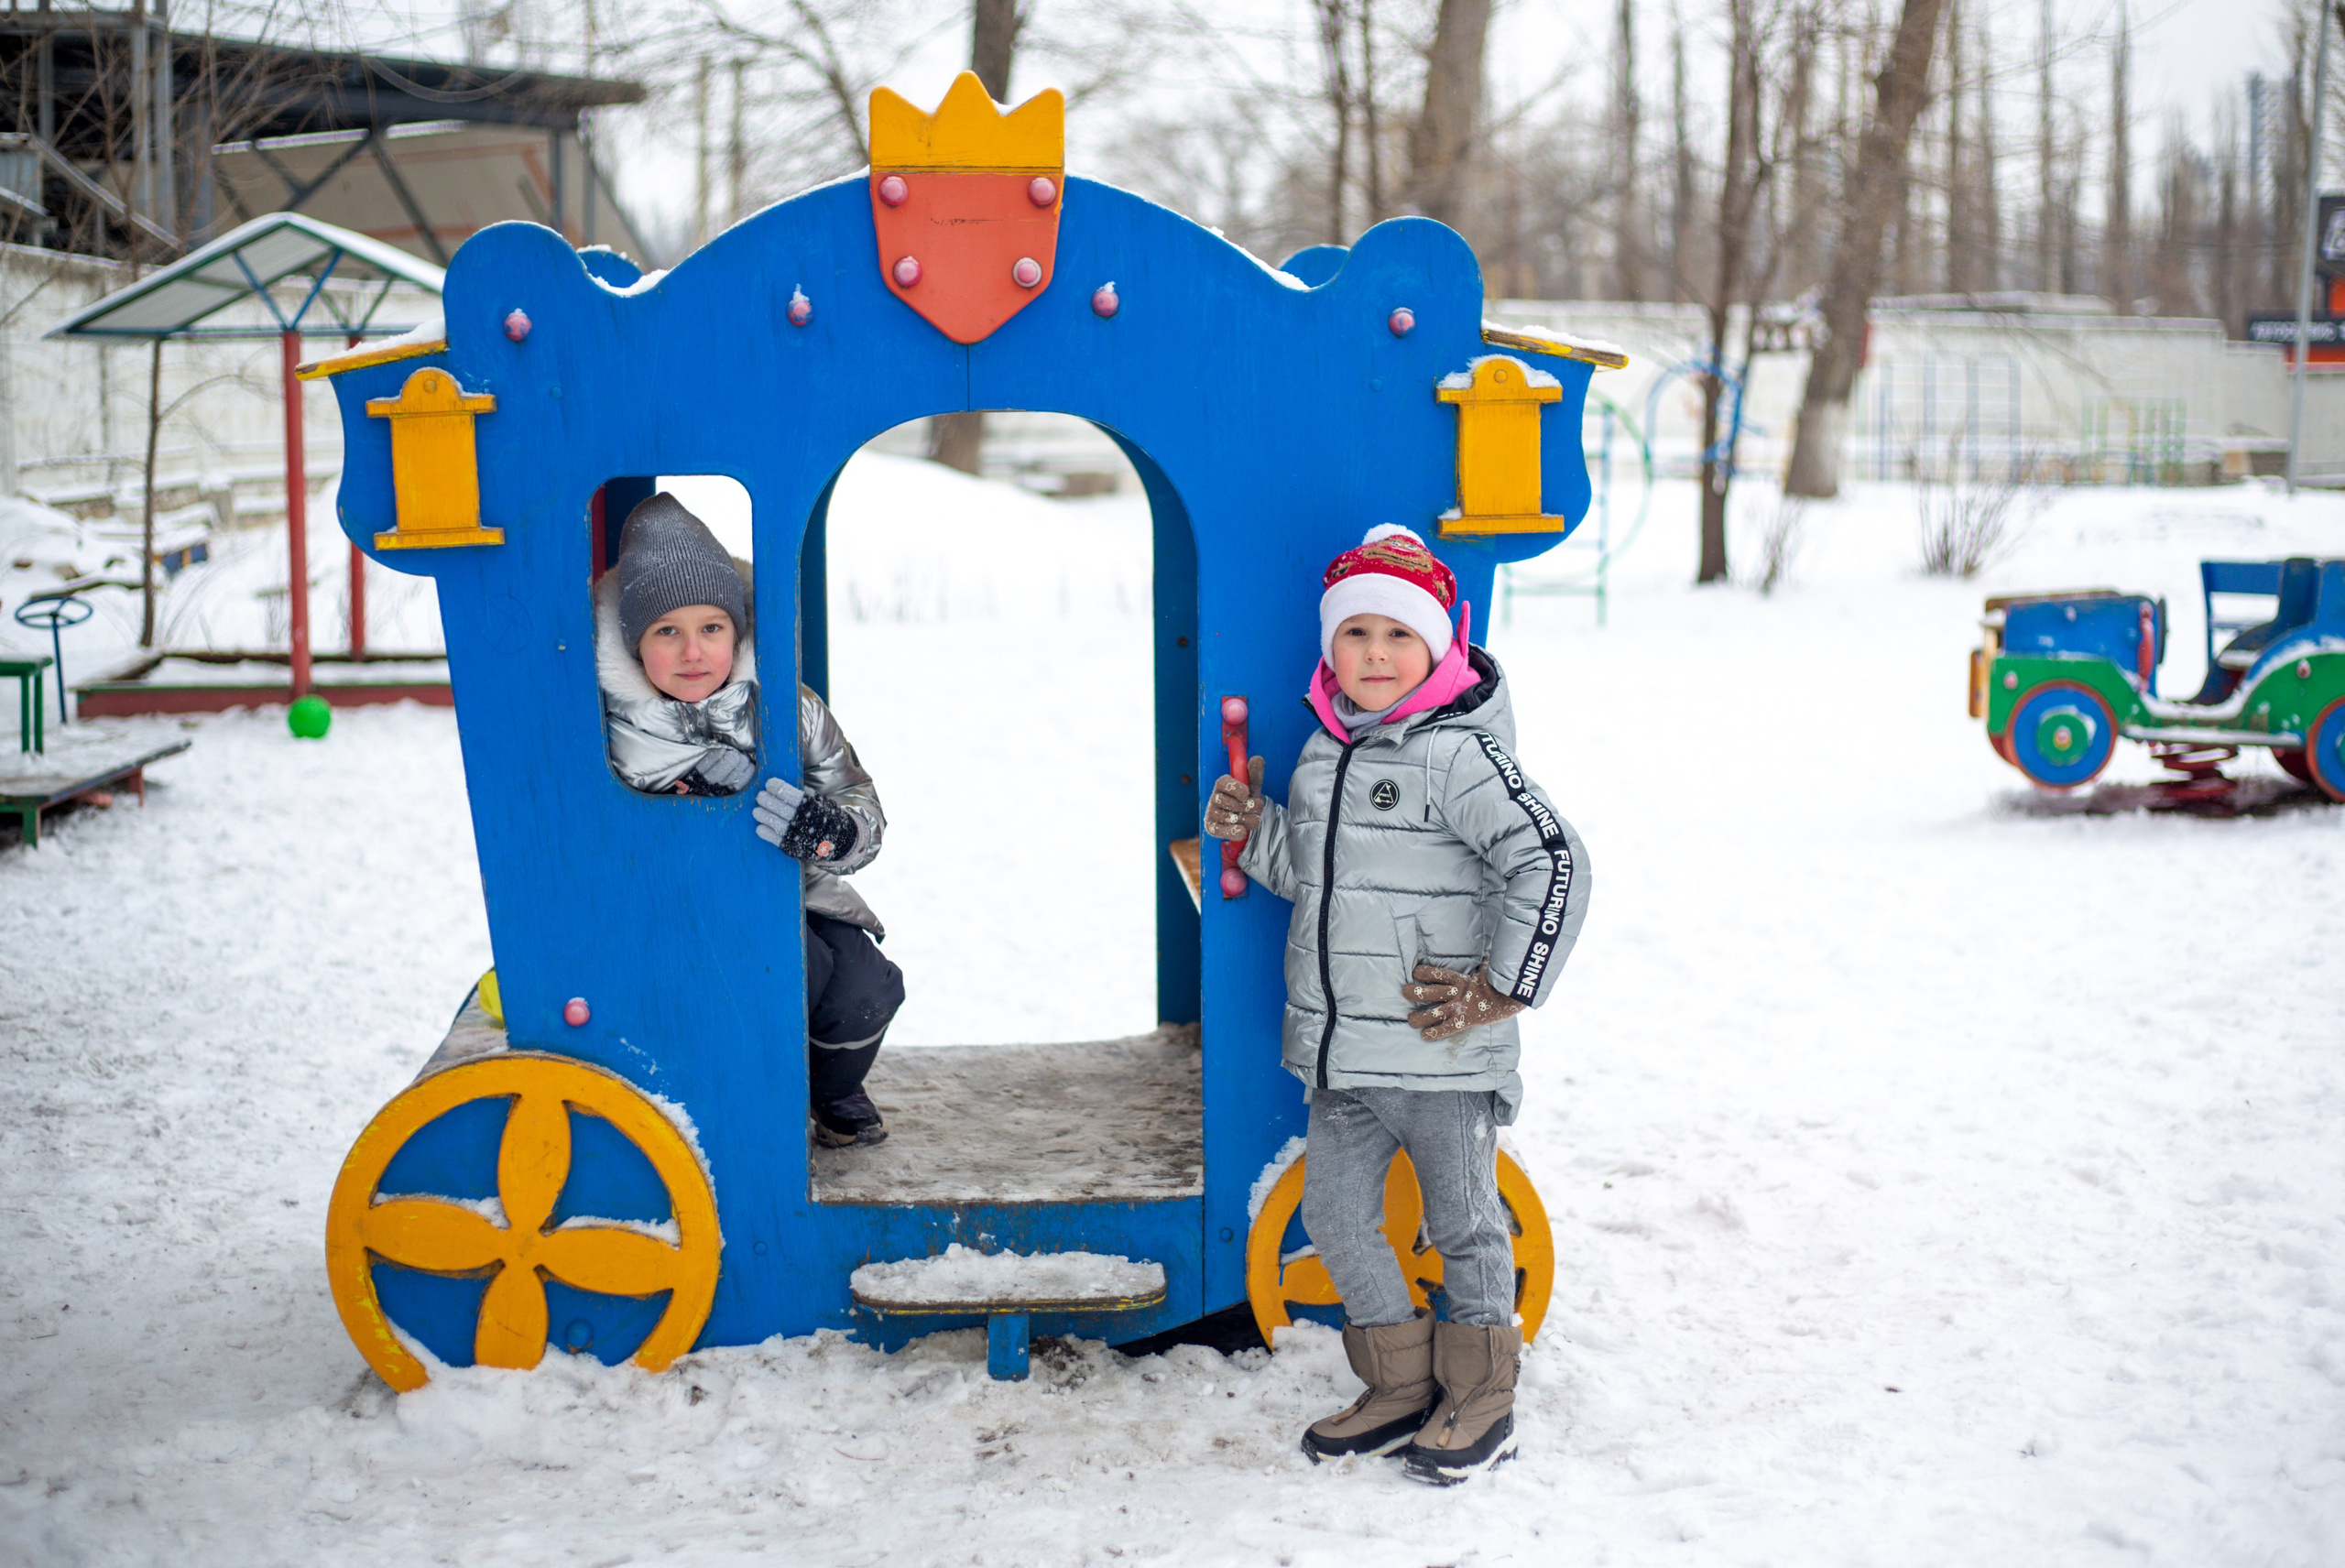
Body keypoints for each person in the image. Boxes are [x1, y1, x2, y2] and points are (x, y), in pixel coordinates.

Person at [1204, 523, 1591, 1485]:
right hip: (1344, 1055)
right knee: (1337, 1219)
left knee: (1464, 1226)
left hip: (1439, 1053)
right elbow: (1317, 873)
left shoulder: (1458, 755)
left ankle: (1482, 1395)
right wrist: (1257, 834)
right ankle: (1399, 1380)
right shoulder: (1325, 752)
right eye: (1356, 634)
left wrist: (1503, 986)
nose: (1375, 655)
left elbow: (1551, 859)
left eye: (1398, 635)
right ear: (1330, 646)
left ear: (1440, 646)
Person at [595, 492, 902, 1147]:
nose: (692, 651)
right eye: (666, 632)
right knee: (782, 971)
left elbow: (858, 800)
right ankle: (738, 1096)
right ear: (634, 642)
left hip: (793, 891)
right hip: (671, 910)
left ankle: (833, 1088)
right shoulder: (608, 729)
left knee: (865, 985)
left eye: (711, 627)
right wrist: (690, 803)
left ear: (737, 631)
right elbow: (594, 828)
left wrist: (832, 830)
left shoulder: (788, 709)